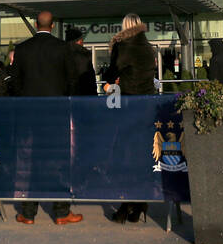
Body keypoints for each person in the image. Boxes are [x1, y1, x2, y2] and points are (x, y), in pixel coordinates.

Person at [9, 10, 81, 225]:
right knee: (58, 161)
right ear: (52, 26)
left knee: (29, 161)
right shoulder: (63, 48)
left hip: (29, 115)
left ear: (35, 24)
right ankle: (61, 212)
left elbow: (15, 83)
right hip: (56, 113)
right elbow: (72, 80)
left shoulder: (22, 49)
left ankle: (28, 212)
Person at [108, 13, 156, 224]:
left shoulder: (123, 46)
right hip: (147, 107)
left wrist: (111, 82)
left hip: (127, 105)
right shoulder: (148, 47)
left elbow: (111, 73)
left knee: (126, 157)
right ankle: (139, 204)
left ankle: (126, 205)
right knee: (142, 156)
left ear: (125, 27)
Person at [66, 27, 97, 96]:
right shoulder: (84, 55)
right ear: (79, 40)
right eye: (82, 39)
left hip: (65, 97)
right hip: (83, 95)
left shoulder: (60, 53)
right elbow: (90, 79)